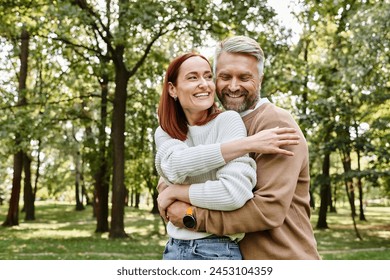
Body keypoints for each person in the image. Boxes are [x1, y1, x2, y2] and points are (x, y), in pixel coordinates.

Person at [159, 35, 321, 260]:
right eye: (225, 77)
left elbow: (268, 210)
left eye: (245, 77)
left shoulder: (275, 124)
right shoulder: (214, 123)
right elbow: (170, 182)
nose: (233, 86)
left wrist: (191, 216)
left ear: (260, 79)